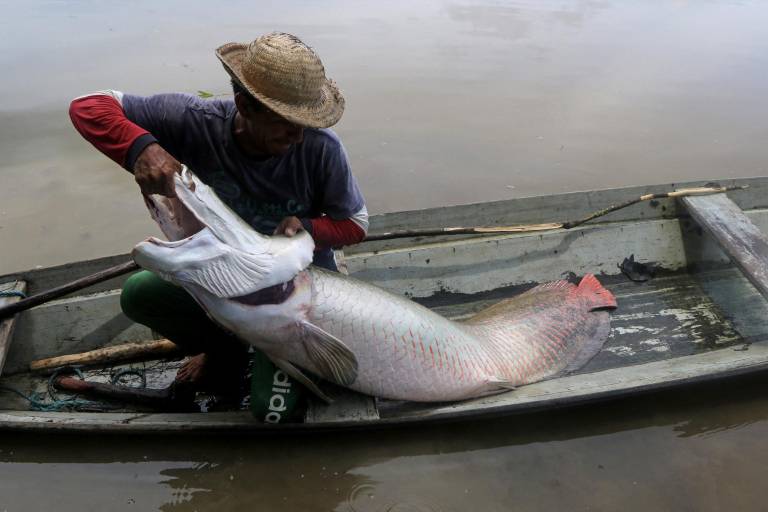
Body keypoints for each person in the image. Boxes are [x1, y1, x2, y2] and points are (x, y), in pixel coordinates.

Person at [69, 32, 368, 392]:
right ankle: (224, 350)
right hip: (219, 276)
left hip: (296, 291)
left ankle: (272, 348)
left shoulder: (322, 150)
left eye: (304, 123)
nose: (298, 136)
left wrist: (306, 226)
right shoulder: (194, 120)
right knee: (140, 294)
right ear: (244, 106)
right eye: (284, 121)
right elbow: (88, 106)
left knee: (272, 410)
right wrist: (142, 149)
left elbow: (354, 225)